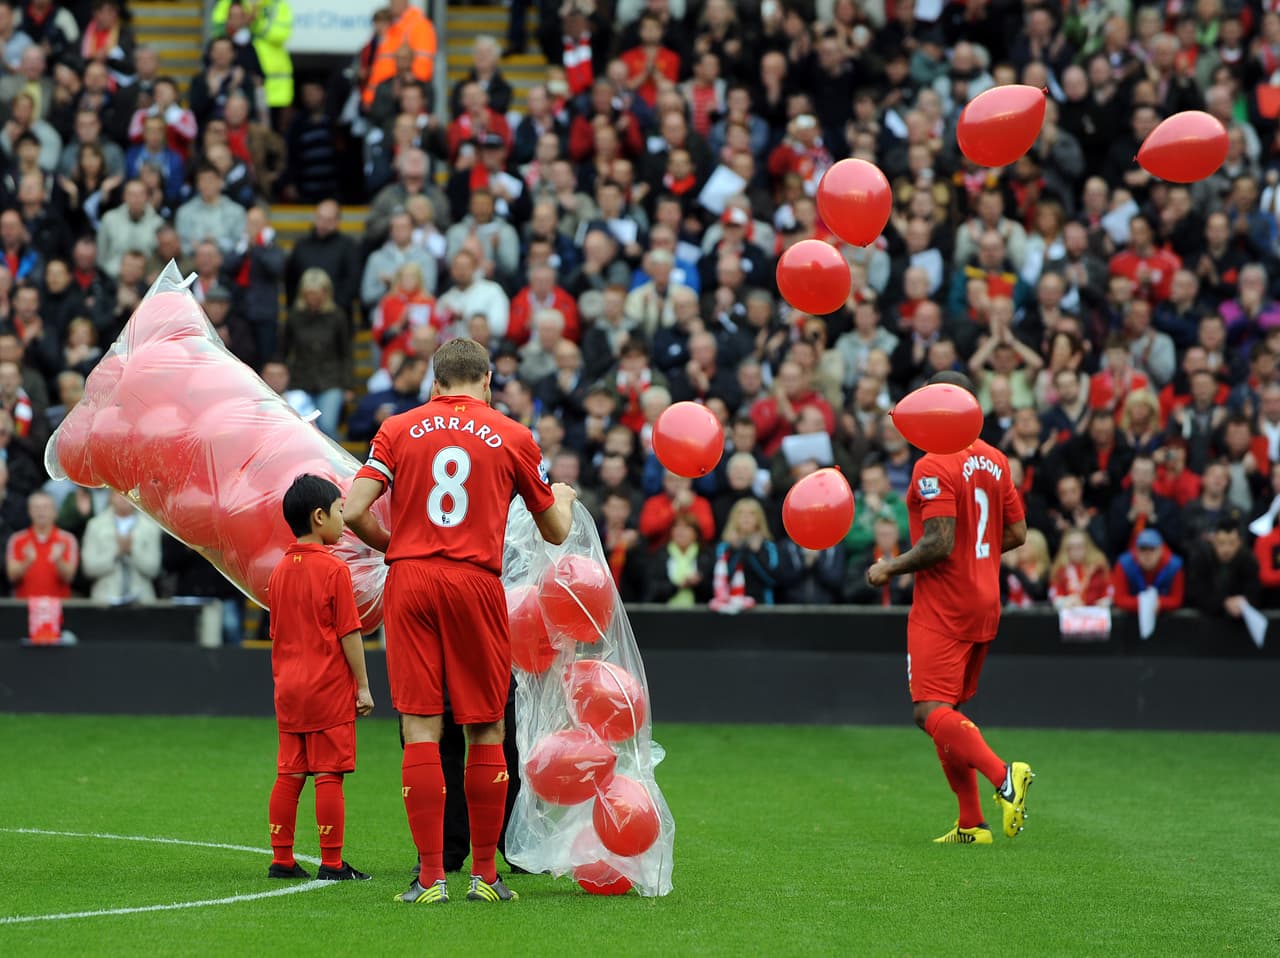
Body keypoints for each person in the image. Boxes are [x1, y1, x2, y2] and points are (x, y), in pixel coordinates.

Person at [343, 338, 576, 905]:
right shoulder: (514, 435)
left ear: (436, 383)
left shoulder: (398, 428)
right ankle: (486, 878)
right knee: (486, 727)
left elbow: (351, 511)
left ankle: (429, 880)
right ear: (489, 382)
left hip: (411, 580)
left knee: (422, 727)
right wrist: (563, 495)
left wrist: (397, 545)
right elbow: (555, 531)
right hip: (475, 581)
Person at [865, 370, 1033, 845]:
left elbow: (938, 543)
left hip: (945, 605)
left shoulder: (933, 463)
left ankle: (1005, 776)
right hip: (985, 601)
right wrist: (975, 557)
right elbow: (1018, 534)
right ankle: (971, 824)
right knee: (948, 712)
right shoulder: (996, 459)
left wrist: (888, 568)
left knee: (926, 711)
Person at [265, 474, 374, 883]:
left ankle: (282, 858)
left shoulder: (277, 572)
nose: (344, 520)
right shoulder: (334, 570)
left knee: (290, 773)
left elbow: (278, 634)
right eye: (340, 511)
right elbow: (349, 632)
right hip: (327, 687)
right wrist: (362, 686)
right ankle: (331, 863)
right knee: (329, 773)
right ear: (318, 516)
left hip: (288, 688)